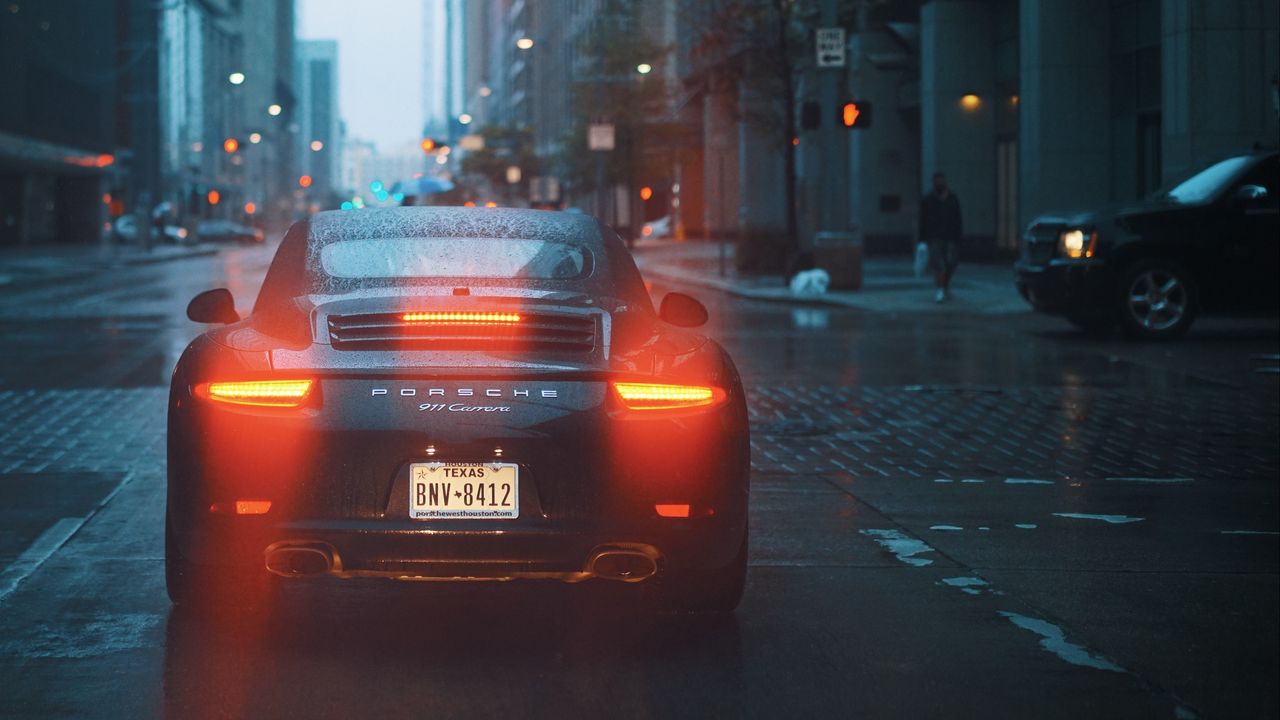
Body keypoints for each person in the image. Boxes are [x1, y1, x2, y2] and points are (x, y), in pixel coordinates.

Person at [919, 172, 963, 302]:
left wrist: (959, 236)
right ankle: (940, 289)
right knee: (939, 265)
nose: (939, 183)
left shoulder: (953, 198)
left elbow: (958, 218)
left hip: (951, 236)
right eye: (937, 181)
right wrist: (922, 240)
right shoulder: (927, 200)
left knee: (951, 264)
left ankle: (944, 286)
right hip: (933, 237)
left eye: (941, 181)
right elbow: (923, 220)